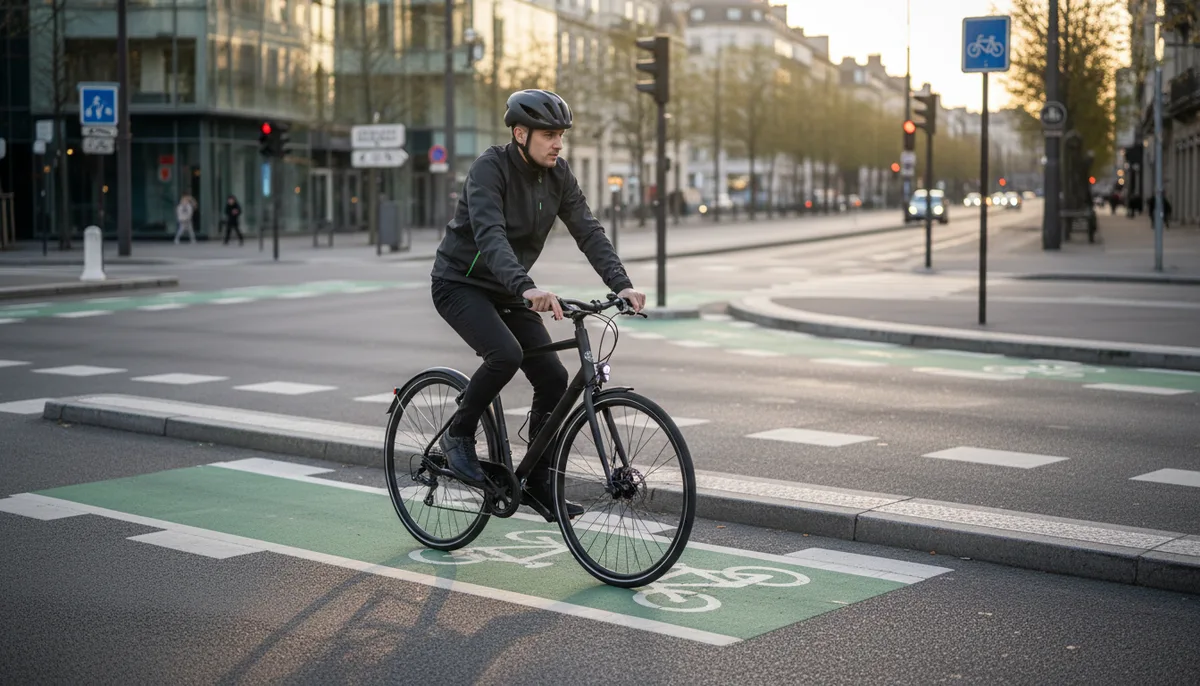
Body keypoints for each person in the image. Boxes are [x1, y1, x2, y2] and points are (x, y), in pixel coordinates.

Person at [429, 89, 645, 520]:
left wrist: (621, 283)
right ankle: (458, 433)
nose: (557, 143)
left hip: (509, 290)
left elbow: (588, 230)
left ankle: (538, 482)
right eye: (549, 134)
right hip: (460, 284)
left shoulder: (559, 175)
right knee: (504, 354)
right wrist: (528, 288)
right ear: (520, 132)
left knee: (551, 375)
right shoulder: (489, 170)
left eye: (560, 135)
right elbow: (490, 237)